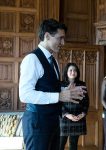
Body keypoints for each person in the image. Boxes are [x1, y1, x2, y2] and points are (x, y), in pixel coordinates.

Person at [19, 19, 86, 150]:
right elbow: (25, 95)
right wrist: (59, 96)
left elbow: (49, 87)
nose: (63, 43)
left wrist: (66, 90)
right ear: (47, 36)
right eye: (60, 38)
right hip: (37, 122)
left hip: (53, 121)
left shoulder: (53, 60)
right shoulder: (31, 59)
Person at [59, 63, 89, 150]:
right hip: (64, 118)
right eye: (71, 70)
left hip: (77, 118)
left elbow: (86, 102)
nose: (73, 72)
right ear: (66, 72)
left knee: (73, 145)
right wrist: (67, 114)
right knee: (60, 144)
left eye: (75, 70)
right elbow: (58, 103)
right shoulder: (60, 85)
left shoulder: (82, 84)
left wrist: (82, 114)